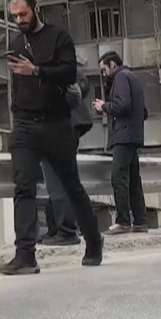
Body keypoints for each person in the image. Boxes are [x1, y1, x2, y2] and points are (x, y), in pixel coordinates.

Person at [0, 0, 103, 275]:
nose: (19, 21)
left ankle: (94, 242)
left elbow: (69, 73)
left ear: (35, 9)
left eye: (23, 14)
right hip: (24, 124)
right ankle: (25, 256)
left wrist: (36, 71)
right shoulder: (15, 43)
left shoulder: (59, 38)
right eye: (15, 16)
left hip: (56, 124)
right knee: (24, 187)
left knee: (71, 186)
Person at [93, 51, 149, 235]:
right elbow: (144, 111)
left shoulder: (121, 78)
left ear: (112, 65)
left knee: (119, 177)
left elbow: (123, 106)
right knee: (133, 179)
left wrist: (104, 106)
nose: (103, 75)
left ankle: (123, 221)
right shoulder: (132, 77)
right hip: (133, 135)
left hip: (123, 137)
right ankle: (140, 221)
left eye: (104, 70)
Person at [40, 65, 96, 246]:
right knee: (57, 178)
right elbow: (83, 83)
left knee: (58, 180)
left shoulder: (51, 62)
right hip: (67, 126)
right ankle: (58, 227)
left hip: (61, 126)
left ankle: (66, 230)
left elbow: (81, 83)